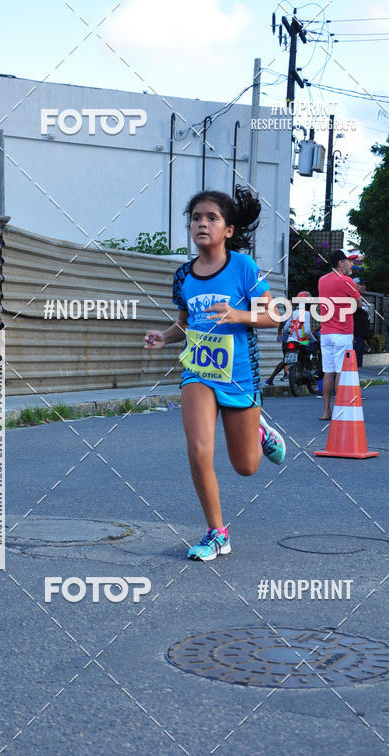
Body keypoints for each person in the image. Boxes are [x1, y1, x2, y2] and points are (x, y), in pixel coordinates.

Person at [144, 186, 285, 561]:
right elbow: (185, 324)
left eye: (212, 218)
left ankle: (259, 431)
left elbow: (274, 316)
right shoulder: (183, 276)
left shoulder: (244, 268)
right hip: (199, 371)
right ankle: (216, 532)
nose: (202, 224)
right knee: (199, 451)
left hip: (239, 376)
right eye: (196, 218)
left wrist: (239, 315)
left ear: (228, 230)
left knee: (247, 466)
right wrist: (164, 337)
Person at [317, 249, 361, 420]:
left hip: (326, 332)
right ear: (340, 263)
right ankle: (339, 410)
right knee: (341, 371)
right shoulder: (347, 281)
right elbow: (357, 304)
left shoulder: (322, 280)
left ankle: (326, 410)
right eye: (349, 261)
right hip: (342, 332)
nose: (351, 264)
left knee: (328, 372)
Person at [265, 290, 313, 386]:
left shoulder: (292, 313)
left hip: (289, 341)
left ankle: (271, 378)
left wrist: (286, 338)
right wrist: (312, 339)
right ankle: (311, 373)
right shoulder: (305, 313)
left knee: (285, 360)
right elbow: (307, 331)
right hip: (300, 341)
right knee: (312, 350)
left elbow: (285, 327)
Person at [353, 298, 372, 367]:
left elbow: (365, 327)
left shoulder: (363, 314)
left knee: (357, 358)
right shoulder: (362, 314)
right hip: (357, 337)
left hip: (360, 337)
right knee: (357, 358)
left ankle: (357, 373)